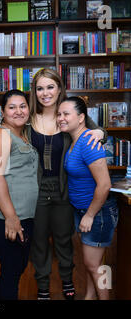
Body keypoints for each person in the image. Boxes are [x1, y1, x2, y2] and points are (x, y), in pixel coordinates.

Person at [27, 68, 106, 300]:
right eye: (40, 88)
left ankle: (69, 284)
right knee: (39, 241)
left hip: (67, 193)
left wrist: (101, 132)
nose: (45, 93)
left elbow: (96, 131)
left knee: (67, 243)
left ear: (59, 89)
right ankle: (43, 287)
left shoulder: (69, 113)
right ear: (34, 92)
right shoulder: (28, 118)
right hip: (38, 192)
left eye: (50, 87)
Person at [57, 97, 117, 300]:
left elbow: (105, 184)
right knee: (94, 265)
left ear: (81, 117)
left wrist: (90, 215)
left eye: (66, 114)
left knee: (95, 266)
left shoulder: (88, 143)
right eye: (59, 114)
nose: (61, 118)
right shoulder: (75, 141)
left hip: (97, 213)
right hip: (83, 210)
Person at [0, 90, 39, 300]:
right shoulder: (0, 135)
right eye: (12, 107)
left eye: (22, 106)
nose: (18, 111)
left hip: (24, 214)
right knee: (12, 269)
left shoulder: (22, 135)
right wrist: (11, 217)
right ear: (3, 112)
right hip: (5, 217)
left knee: (16, 267)